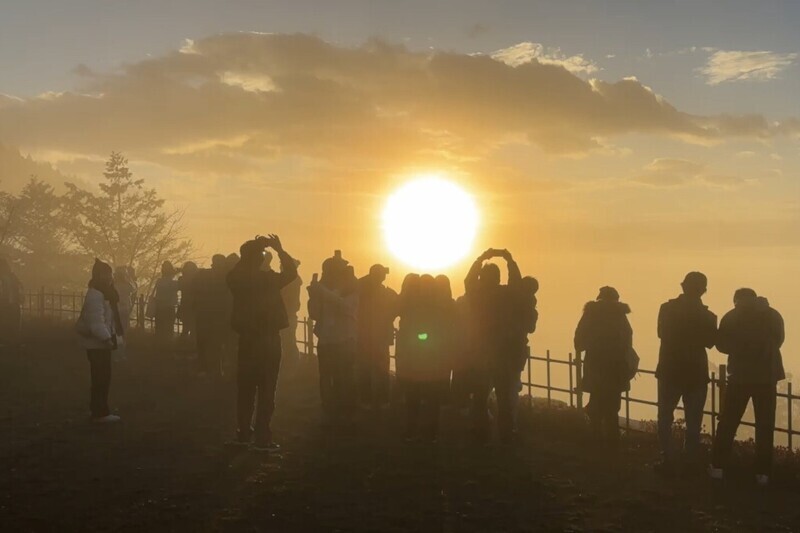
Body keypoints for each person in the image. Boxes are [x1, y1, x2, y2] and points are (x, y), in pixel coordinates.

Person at [227, 235, 297, 451]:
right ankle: (262, 436)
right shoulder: (267, 280)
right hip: (268, 340)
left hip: (247, 340)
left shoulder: (236, 279)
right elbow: (291, 273)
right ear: (259, 260)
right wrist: (279, 249)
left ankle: (243, 433)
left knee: (245, 389)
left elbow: (238, 267)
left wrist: (252, 249)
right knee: (267, 389)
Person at [710, 290, 785, 485]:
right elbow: (779, 340)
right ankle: (763, 473)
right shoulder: (773, 314)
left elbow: (721, 345)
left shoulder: (732, 316)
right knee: (765, 425)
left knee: (728, 422)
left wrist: (740, 348)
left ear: (736, 299)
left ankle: (718, 467)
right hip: (767, 377)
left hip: (740, 377)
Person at [655, 272, 717, 474]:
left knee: (665, 417)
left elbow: (661, 334)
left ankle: (668, 459)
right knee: (693, 421)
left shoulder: (666, 309)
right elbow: (710, 342)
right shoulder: (708, 316)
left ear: (683, 286)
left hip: (669, 370)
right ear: (704, 290)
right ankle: (689, 461)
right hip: (696, 373)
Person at [464, 248, 523, 443]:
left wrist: (480, 258)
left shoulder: (475, 295)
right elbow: (517, 284)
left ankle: (479, 432)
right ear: (498, 278)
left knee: (479, 396)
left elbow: (468, 280)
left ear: (482, 277)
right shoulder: (506, 295)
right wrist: (510, 260)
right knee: (504, 398)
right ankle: (506, 434)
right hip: (502, 353)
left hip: (480, 352)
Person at [574, 286, 633, 450]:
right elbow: (628, 341)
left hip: (595, 365)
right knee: (612, 407)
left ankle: (594, 440)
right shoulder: (621, 316)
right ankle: (613, 443)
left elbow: (579, 341)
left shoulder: (591, 314)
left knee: (596, 403)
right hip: (616, 368)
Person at [309, 257, 359, 428]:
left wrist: (321, 291)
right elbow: (314, 314)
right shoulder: (323, 290)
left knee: (344, 377)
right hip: (326, 340)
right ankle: (329, 409)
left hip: (345, 340)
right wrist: (313, 297)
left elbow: (345, 306)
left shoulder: (352, 289)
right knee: (326, 377)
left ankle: (345, 410)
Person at [76, 259, 124, 423]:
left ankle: (101, 409)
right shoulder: (96, 295)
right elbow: (96, 321)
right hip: (98, 344)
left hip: (100, 343)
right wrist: (107, 338)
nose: (110, 277)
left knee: (102, 378)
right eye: (107, 274)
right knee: (100, 378)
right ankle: (100, 412)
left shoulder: (102, 293)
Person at [357, 264, 399, 409]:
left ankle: (366, 399)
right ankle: (383, 400)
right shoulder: (388, 293)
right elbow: (397, 307)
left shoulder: (361, 291)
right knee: (381, 369)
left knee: (365, 369)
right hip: (380, 337)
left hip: (364, 336)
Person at [193, 254, 229, 377]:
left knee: (212, 343)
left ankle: (209, 368)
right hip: (213, 314)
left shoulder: (203, 275)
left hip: (208, 314)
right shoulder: (225, 277)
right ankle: (211, 368)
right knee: (210, 342)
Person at [151, 261, 180, 342]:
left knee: (159, 329)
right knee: (168, 330)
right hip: (169, 309)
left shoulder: (159, 281)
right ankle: (167, 348)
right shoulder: (174, 283)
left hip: (159, 309)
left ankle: (159, 347)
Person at [0, 257, 22, 350]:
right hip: (11, 303)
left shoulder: (7, 277)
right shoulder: (12, 277)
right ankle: (11, 342)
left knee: (9, 323)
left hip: (9, 304)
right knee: (11, 324)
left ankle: (10, 342)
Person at [177, 261, 199, 340]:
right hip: (194, 305)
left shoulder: (182, 279)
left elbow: (178, 287)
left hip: (185, 304)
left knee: (185, 327)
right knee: (193, 327)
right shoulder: (197, 279)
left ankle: (183, 343)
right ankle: (192, 344)